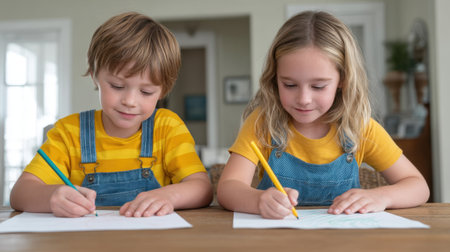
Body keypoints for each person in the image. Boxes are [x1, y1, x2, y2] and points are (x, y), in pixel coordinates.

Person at [217, 11, 429, 219]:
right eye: (289, 84)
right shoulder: (264, 123)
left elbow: (418, 186)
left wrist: (382, 196)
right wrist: (258, 200)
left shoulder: (360, 128)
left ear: (342, 80)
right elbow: (227, 189)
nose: (303, 98)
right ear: (274, 78)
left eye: (318, 86)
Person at [10, 12, 213, 218]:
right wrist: (52, 196)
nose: (130, 101)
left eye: (146, 92)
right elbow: (20, 194)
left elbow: (203, 188)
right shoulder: (69, 132)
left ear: (163, 90)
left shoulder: (167, 128)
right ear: (94, 76)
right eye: (117, 86)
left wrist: (169, 196)